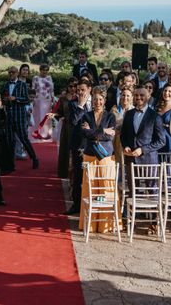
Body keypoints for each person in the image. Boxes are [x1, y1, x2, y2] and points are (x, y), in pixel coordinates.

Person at [79, 87, 117, 232]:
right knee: (89, 188)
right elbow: (85, 133)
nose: (98, 102)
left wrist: (94, 132)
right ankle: (90, 224)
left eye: (100, 99)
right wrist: (102, 131)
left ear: (104, 101)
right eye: (95, 99)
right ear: (92, 100)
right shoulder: (86, 116)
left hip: (106, 156)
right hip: (89, 155)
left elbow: (110, 136)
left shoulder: (110, 116)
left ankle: (105, 225)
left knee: (106, 189)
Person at [2, 66, 38, 169]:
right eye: (9, 72)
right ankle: (11, 163)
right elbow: (3, 98)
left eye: (13, 72)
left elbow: (27, 99)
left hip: (20, 116)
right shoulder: (6, 84)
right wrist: (5, 100)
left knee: (23, 139)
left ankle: (34, 158)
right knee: (10, 140)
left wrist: (16, 98)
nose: (11, 74)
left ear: (17, 73)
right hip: (9, 116)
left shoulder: (22, 85)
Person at [65, 78, 92, 215]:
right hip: (78, 144)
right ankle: (76, 204)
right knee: (77, 176)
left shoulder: (96, 102)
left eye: (83, 90)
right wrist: (80, 106)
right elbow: (74, 121)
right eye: (78, 90)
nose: (80, 92)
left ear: (89, 90)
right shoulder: (73, 103)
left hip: (92, 144)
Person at [51, 77, 78, 179]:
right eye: (71, 86)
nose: (73, 88)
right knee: (65, 150)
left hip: (76, 127)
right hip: (66, 127)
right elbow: (58, 112)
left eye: (75, 86)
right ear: (67, 86)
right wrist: (58, 116)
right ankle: (64, 173)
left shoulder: (80, 98)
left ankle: (74, 173)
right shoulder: (63, 99)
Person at [31, 64, 54, 141]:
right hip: (38, 100)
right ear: (40, 70)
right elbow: (33, 89)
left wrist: (53, 99)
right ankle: (37, 134)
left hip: (47, 101)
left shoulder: (49, 78)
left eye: (46, 70)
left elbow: (51, 90)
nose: (44, 71)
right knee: (37, 117)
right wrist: (32, 99)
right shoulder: (35, 78)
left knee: (46, 118)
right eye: (43, 70)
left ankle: (45, 134)